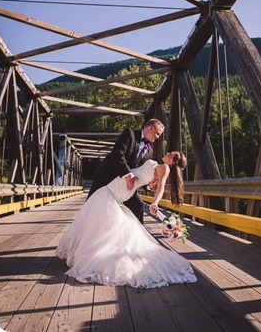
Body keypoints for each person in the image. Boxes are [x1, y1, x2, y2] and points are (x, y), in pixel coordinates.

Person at [56, 151, 197, 289]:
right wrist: (149, 185)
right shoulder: (159, 165)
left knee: (102, 205)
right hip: (123, 185)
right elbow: (149, 183)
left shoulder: (165, 168)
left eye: (170, 154)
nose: (167, 153)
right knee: (103, 212)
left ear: (172, 161)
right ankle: (94, 249)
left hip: (123, 187)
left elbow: (160, 188)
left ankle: (93, 251)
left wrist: (155, 203)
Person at [86, 118, 165, 223]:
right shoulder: (130, 134)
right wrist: (128, 175)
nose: (158, 137)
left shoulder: (149, 150)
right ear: (151, 128)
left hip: (126, 185)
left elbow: (140, 171)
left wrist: (148, 186)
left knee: (138, 205)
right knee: (90, 207)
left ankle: (138, 237)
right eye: (158, 133)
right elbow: (118, 155)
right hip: (107, 177)